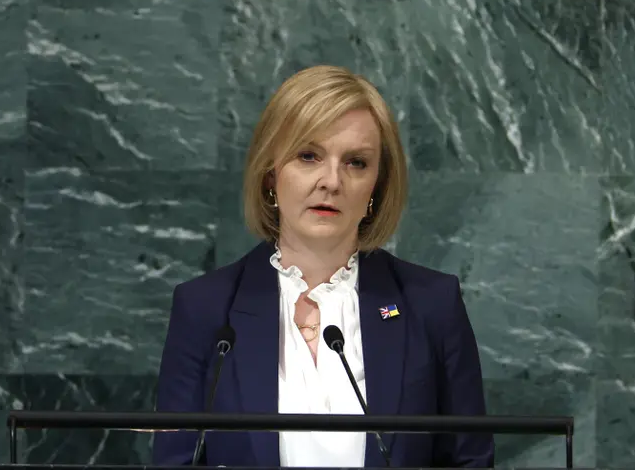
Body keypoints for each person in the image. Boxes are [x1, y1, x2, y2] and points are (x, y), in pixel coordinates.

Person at [152, 65, 494, 467]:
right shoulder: (205, 308)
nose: (331, 181)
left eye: (356, 163)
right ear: (270, 174)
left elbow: (470, 461)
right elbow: (174, 463)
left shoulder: (431, 304)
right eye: (309, 156)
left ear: (376, 188)